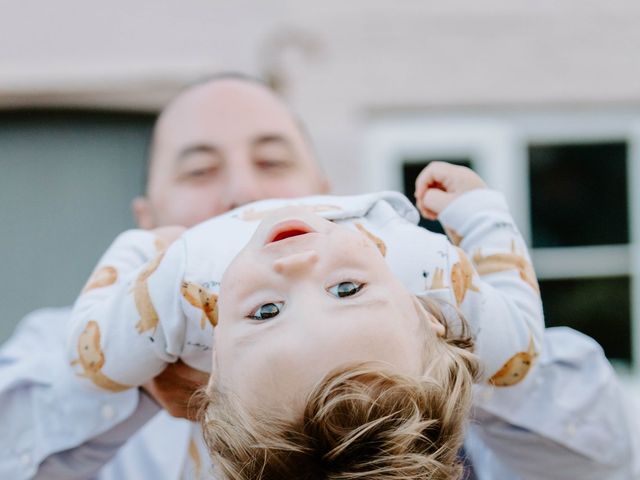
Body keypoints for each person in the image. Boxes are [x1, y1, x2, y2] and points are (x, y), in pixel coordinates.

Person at [0, 76, 638, 479]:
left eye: (272, 160)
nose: (242, 190)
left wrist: (422, 361)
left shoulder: (423, 300)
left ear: (326, 194)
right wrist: (138, 372)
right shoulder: (57, 346)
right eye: (197, 171)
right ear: (149, 218)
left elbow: (610, 450)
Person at [67, 163, 541, 478]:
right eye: (347, 290)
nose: (296, 265)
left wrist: (145, 247)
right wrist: (479, 213)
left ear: (213, 373)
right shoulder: (433, 275)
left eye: (267, 312)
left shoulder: (180, 289)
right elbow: (522, 351)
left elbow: (85, 356)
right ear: (425, 316)